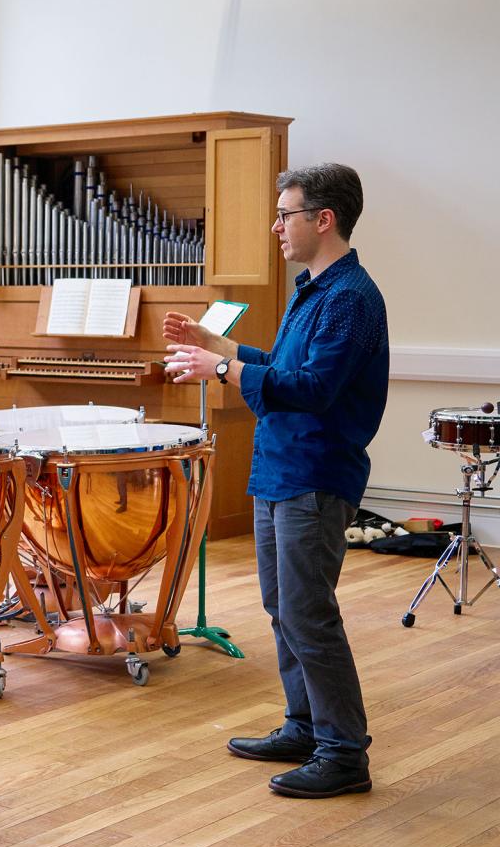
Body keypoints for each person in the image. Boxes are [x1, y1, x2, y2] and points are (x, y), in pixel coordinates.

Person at [163, 162, 387, 798]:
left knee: (309, 614)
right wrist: (220, 347)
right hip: (281, 469)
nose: (275, 226)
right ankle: (306, 723)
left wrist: (222, 370)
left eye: (286, 214)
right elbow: (286, 365)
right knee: (282, 608)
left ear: (324, 219)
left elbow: (314, 389)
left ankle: (344, 753)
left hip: (315, 475)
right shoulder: (312, 288)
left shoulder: (350, 298)